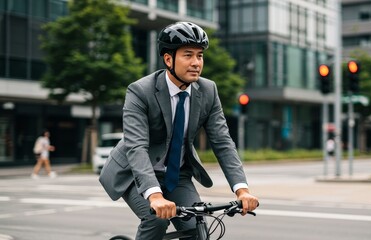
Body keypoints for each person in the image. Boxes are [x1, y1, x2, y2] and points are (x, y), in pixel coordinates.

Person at [99, 21, 259, 240]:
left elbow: (222, 142)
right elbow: (137, 146)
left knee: (197, 227)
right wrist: (155, 195)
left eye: (200, 55)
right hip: (135, 173)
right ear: (168, 59)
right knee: (157, 218)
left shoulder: (208, 90)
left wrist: (242, 189)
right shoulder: (140, 91)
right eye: (188, 55)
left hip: (177, 176)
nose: (196, 63)